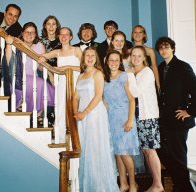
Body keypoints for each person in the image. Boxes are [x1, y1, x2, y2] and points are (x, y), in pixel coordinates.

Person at [73, 47, 119, 192]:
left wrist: (84, 112)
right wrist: (76, 112)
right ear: (83, 58)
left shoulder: (98, 73)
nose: (90, 57)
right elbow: (75, 97)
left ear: (96, 58)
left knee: (95, 148)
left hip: (94, 115)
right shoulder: (80, 76)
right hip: (82, 117)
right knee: (86, 149)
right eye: (87, 55)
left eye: (93, 55)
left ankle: (101, 187)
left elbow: (98, 96)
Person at [155, 37, 196, 192]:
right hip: (164, 120)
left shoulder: (182, 67)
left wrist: (190, 111)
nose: (163, 50)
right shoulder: (159, 68)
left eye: (166, 47)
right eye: (160, 48)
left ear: (173, 48)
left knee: (178, 157)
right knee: (162, 152)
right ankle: (180, 184)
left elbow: (195, 90)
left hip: (179, 120)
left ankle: (183, 188)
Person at [2, 22, 54, 127]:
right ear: (22, 33)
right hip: (17, 76)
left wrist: (49, 72)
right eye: (27, 32)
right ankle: (35, 112)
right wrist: (8, 44)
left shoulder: (39, 46)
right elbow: (8, 61)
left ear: (35, 35)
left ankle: (37, 113)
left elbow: (41, 66)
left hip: (33, 77)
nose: (29, 34)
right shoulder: (15, 43)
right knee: (40, 83)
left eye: (32, 32)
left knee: (42, 83)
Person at [103, 50, 139, 192]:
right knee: (117, 152)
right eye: (111, 60)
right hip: (111, 119)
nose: (113, 63)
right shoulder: (104, 78)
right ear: (107, 62)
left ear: (120, 62)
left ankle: (133, 184)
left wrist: (130, 120)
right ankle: (123, 183)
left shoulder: (124, 76)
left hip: (125, 117)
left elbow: (131, 99)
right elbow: (105, 101)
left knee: (124, 153)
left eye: (116, 60)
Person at [38, 27, 82, 142]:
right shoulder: (57, 51)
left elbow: (83, 67)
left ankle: (77, 137)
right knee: (61, 109)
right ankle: (61, 137)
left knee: (76, 108)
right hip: (62, 83)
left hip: (76, 83)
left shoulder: (77, 50)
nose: (63, 37)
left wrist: (67, 68)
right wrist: (43, 58)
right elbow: (44, 56)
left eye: (66, 34)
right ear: (58, 37)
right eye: (61, 34)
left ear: (71, 37)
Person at [130, 45, 164, 192]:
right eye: (133, 55)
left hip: (147, 117)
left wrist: (129, 74)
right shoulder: (136, 73)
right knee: (146, 151)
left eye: (139, 56)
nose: (136, 58)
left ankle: (158, 185)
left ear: (144, 58)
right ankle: (155, 183)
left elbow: (135, 92)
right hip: (139, 117)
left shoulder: (146, 72)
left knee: (150, 150)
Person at [39, 15, 62, 127]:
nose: (51, 26)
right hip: (44, 70)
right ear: (45, 26)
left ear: (57, 26)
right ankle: (49, 116)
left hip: (59, 72)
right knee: (46, 84)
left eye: (53, 24)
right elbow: (39, 60)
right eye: (48, 24)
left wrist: (55, 73)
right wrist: (50, 74)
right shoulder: (39, 41)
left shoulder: (62, 41)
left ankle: (55, 118)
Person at [131, 25, 160, 91]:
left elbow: (154, 67)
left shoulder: (150, 51)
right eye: (135, 32)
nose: (137, 34)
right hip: (133, 81)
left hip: (146, 80)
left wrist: (158, 85)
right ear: (132, 35)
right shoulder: (128, 51)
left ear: (144, 35)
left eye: (140, 32)